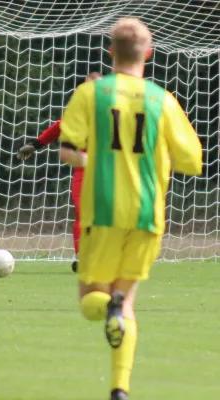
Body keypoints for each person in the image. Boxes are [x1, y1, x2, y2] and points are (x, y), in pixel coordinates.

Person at [59, 18, 202, 400]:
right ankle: (120, 388)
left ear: (111, 52)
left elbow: (68, 149)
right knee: (128, 304)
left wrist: (90, 160)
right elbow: (192, 161)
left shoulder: (91, 94)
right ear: (149, 54)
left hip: (102, 210)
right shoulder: (162, 100)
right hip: (146, 215)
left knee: (91, 300)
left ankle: (110, 306)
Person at [17, 72, 103, 273]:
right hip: (84, 170)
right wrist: (36, 145)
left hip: (113, 171)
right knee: (83, 214)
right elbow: (58, 127)